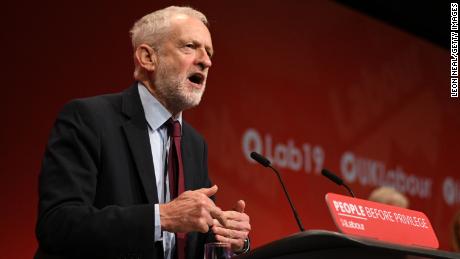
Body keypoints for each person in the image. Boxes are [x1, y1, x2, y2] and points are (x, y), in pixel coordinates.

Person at [35, 6, 251, 259]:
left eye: (209, 52)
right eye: (190, 46)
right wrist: (162, 217)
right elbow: (58, 225)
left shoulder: (194, 143)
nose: (206, 61)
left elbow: (189, 235)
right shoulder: (89, 119)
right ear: (147, 57)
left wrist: (230, 237)